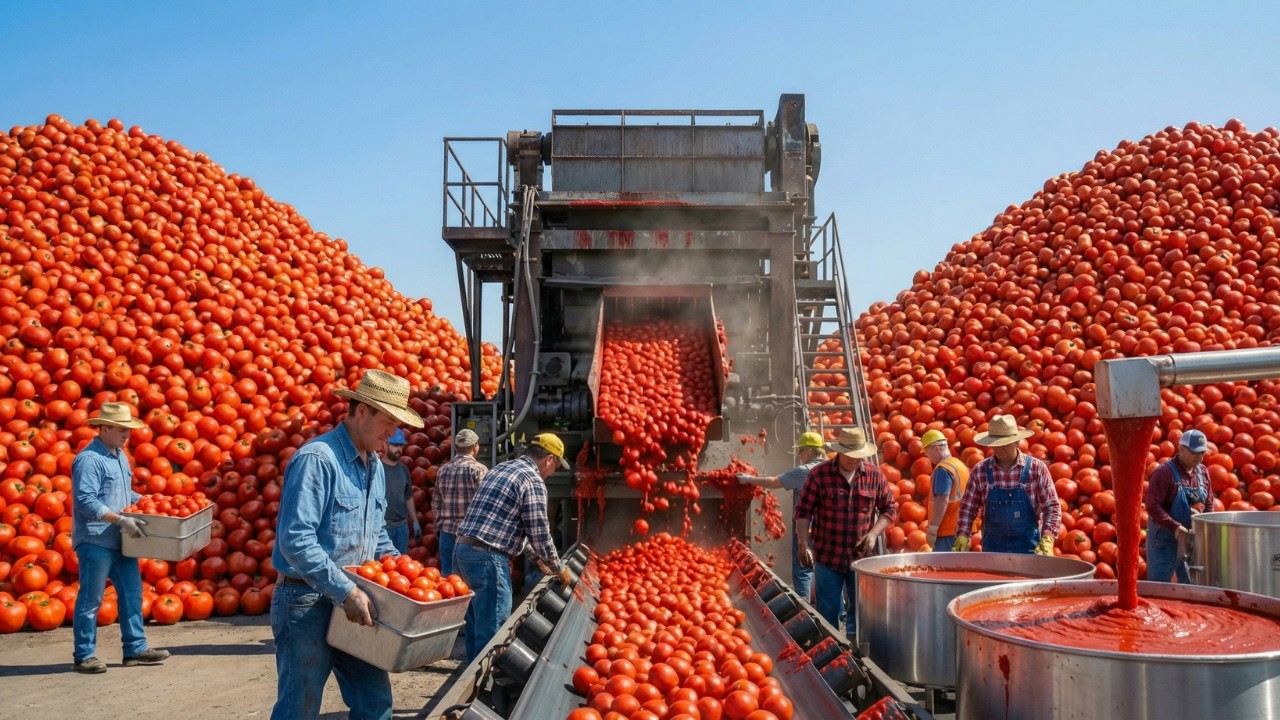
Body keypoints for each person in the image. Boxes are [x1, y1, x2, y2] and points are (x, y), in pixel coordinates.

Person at [270, 369, 424, 720]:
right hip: (306, 601)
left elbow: (377, 535)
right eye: (387, 421)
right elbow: (295, 539)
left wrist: (405, 573)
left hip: (357, 601)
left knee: (375, 703)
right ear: (360, 412)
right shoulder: (318, 459)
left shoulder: (375, 466)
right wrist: (344, 591)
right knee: (300, 707)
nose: (392, 432)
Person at [453, 433, 573, 663]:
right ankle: (484, 687)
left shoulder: (501, 468)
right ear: (549, 459)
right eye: (556, 466)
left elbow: (506, 524)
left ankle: (470, 680)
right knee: (494, 631)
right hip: (488, 558)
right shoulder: (532, 479)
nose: (553, 472)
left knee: (476, 622)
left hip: (463, 551)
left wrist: (537, 558)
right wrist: (557, 566)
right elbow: (539, 530)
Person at [70, 402, 171, 674]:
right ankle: (84, 655)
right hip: (96, 540)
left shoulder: (119, 455)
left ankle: (135, 649)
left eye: (128, 430)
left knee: (132, 593)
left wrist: (151, 501)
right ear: (103, 429)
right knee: (91, 599)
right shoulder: (89, 460)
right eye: (121, 430)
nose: (127, 435)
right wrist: (120, 519)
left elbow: (124, 497)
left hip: (122, 539)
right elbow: (85, 502)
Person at [794, 426, 897, 637]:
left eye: (858, 456)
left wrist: (874, 533)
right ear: (839, 451)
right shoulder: (819, 475)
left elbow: (889, 509)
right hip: (827, 558)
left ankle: (855, 656)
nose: (854, 460)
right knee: (828, 612)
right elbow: (803, 512)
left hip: (860, 560)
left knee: (860, 613)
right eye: (849, 455)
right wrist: (803, 545)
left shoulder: (874, 475)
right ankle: (831, 651)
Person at [736, 430, 827, 601]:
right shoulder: (832, 469)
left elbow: (774, 482)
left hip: (807, 528)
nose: (800, 455)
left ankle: (804, 610)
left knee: (803, 569)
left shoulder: (804, 471)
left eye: (801, 451)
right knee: (828, 570)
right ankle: (838, 614)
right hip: (829, 528)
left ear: (808, 451)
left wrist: (748, 479)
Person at [953, 414, 1061, 555]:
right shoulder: (980, 471)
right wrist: (962, 534)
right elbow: (968, 508)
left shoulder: (1036, 469)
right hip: (992, 550)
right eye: (996, 444)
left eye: (1005, 443)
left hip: (1029, 550)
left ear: (1017, 442)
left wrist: (1048, 537)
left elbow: (1051, 507)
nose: (1000, 449)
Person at [1144, 429, 1212, 583]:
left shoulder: (1203, 472)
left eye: (1202, 452)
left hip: (1191, 541)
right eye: (1195, 452)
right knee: (1160, 587)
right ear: (1181, 449)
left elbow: (1209, 504)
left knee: (1188, 586)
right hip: (1164, 541)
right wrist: (1173, 526)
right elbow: (1152, 506)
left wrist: (1205, 526)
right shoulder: (1163, 473)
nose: (1199, 456)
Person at [433, 428, 487, 576]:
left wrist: (439, 525)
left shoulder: (443, 470)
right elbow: (486, 504)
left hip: (446, 533)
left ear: (456, 447)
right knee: (471, 578)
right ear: (476, 446)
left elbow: (436, 503)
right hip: (470, 536)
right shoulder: (479, 470)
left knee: (449, 578)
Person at [920, 428, 969, 551]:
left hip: (948, 532)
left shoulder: (942, 469)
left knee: (944, 568)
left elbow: (942, 500)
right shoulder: (959, 465)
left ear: (936, 449)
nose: (926, 455)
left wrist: (933, 529)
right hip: (963, 530)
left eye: (926, 450)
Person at [381, 429, 417, 555]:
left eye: (401, 445)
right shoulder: (377, 468)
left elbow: (408, 497)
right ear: (385, 444)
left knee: (400, 565)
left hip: (402, 527)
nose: (399, 449)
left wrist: (415, 521)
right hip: (383, 529)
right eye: (395, 445)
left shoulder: (404, 470)